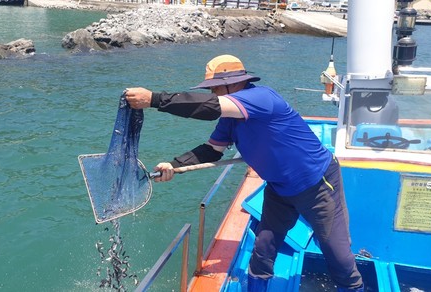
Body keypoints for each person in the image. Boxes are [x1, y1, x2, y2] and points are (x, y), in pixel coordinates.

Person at [124, 54, 364, 292]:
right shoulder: (231, 118)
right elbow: (212, 151)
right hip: (279, 188)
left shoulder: (260, 97)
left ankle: (353, 288)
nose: (212, 93)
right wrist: (174, 165)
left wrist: (154, 99)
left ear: (234, 83)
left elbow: (209, 108)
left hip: (318, 185)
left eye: (215, 87)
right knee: (263, 250)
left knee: (337, 255)